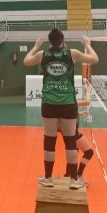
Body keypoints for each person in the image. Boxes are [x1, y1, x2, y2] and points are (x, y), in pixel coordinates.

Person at [24, 29, 98, 189]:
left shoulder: (42, 54)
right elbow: (95, 59)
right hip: (68, 102)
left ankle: (48, 178)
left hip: (49, 102)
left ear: (49, 41)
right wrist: (87, 44)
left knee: (49, 140)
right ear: (62, 40)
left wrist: (36, 46)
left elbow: (26, 61)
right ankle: (73, 180)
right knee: (70, 141)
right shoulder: (72, 53)